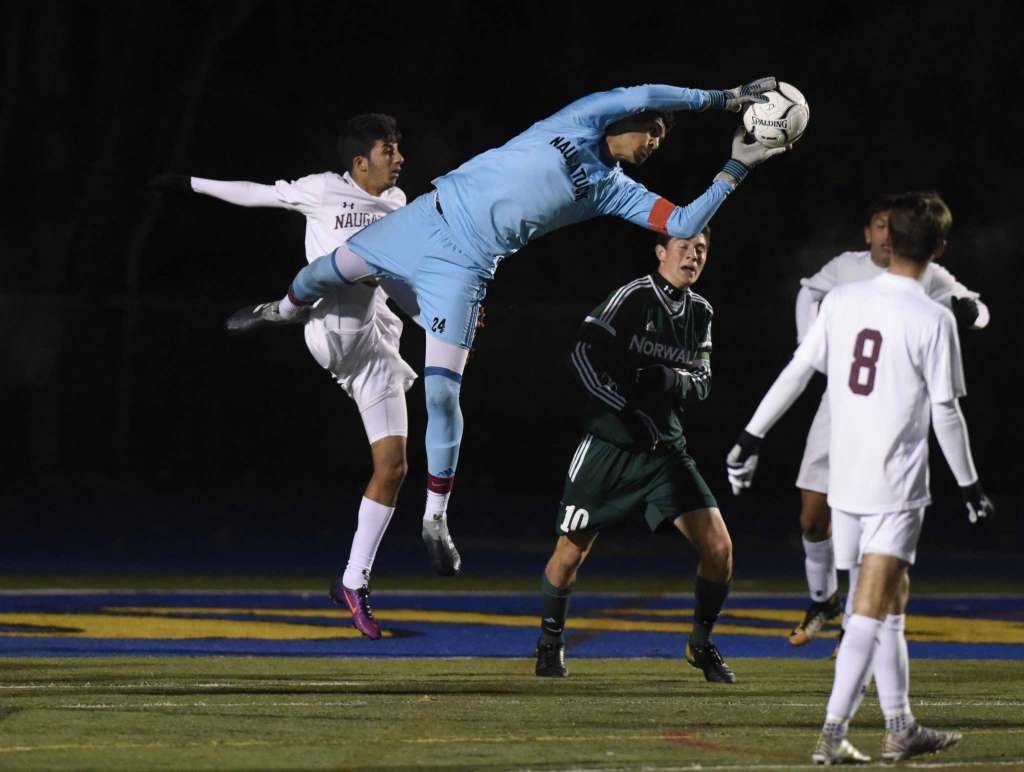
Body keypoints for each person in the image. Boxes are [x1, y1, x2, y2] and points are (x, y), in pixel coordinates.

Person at [230, 78, 789, 576]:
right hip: (425, 219)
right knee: (320, 274)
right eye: (655, 131)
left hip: (466, 269)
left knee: (443, 394)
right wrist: (722, 99)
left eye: (663, 134)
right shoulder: (582, 117)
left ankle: (435, 517)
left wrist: (738, 164)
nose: (657, 139)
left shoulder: (612, 188)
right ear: (627, 123)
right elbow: (643, 94)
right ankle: (280, 311)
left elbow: (687, 222)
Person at [726, 192, 994, 763]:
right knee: (868, 610)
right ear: (940, 249)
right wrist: (970, 485)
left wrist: (751, 436)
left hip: (844, 480)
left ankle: (901, 725)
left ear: (886, 241)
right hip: (893, 486)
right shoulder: (933, 316)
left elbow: (799, 370)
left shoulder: (843, 298)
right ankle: (831, 734)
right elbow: (946, 412)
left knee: (892, 603)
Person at [148, 113, 412, 639]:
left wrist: (447, 313)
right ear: (360, 162)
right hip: (329, 337)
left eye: (398, 148)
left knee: (394, 467)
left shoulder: (400, 204)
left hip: (376, 346)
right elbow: (254, 193)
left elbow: (403, 278)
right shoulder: (321, 190)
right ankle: (284, 309)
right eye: (389, 150)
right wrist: (189, 183)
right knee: (329, 278)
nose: (400, 158)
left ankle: (353, 582)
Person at [778, 194, 990, 648]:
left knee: (869, 531)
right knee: (813, 517)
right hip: (840, 408)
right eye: (877, 225)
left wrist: (973, 315)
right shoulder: (847, 270)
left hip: (888, 419)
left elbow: (973, 305)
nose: (883, 233)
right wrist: (809, 343)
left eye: (888, 225)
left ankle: (858, 625)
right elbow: (808, 291)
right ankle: (824, 600)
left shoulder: (924, 275)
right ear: (869, 232)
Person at [534, 228, 736, 684]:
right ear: (661, 252)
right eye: (683, 247)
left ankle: (700, 644)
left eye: (701, 248)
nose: (692, 255)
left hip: (665, 450)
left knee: (719, 549)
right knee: (570, 553)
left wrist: (671, 380)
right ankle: (549, 641)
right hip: (610, 447)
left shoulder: (701, 312)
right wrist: (625, 411)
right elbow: (583, 353)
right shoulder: (633, 297)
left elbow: (701, 382)